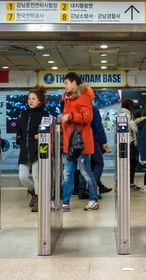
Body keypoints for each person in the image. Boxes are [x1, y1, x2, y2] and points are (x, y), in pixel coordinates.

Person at [61, 72, 100, 212]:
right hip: (68, 143)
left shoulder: (83, 97)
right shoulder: (67, 99)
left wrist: (69, 116)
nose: (64, 85)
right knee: (67, 173)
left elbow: (87, 117)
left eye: (66, 82)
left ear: (74, 83)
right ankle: (64, 203)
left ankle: (94, 199)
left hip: (80, 143)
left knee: (86, 172)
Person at [16, 88, 49, 213]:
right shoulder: (23, 114)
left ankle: (39, 200)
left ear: (39, 101)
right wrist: (19, 138)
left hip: (37, 149)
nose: (31, 101)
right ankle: (34, 193)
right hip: (25, 150)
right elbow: (19, 129)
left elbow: (48, 130)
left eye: (33, 99)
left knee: (36, 176)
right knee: (22, 177)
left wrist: (41, 135)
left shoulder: (44, 114)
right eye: (29, 99)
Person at [79, 105, 112, 198]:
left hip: (80, 140)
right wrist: (104, 141)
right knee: (99, 164)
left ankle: (82, 190)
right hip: (92, 139)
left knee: (84, 166)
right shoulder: (93, 109)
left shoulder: (79, 108)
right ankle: (91, 188)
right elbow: (98, 126)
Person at [121, 99, 140, 190]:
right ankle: (130, 182)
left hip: (122, 143)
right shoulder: (128, 115)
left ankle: (125, 182)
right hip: (130, 143)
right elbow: (134, 129)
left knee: (124, 164)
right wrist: (136, 122)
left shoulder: (120, 114)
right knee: (132, 163)